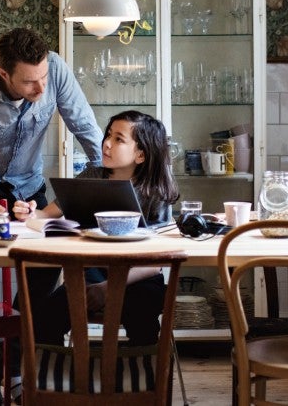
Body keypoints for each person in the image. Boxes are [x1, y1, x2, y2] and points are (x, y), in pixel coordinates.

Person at [0, 27, 104, 406]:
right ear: (3, 73)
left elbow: (86, 128)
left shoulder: (56, 72)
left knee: (41, 274)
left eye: (43, 78)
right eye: (30, 82)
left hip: (28, 188)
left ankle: (13, 367)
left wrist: (109, 173)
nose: (40, 88)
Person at [11, 110, 180, 347]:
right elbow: (45, 215)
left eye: (119, 139)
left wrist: (108, 289)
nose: (107, 144)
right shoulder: (92, 175)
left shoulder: (155, 193)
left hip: (137, 278)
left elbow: (155, 264)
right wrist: (29, 212)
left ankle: (140, 378)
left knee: (143, 315)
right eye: (108, 135)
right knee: (45, 319)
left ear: (141, 154)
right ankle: (59, 379)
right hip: (90, 275)